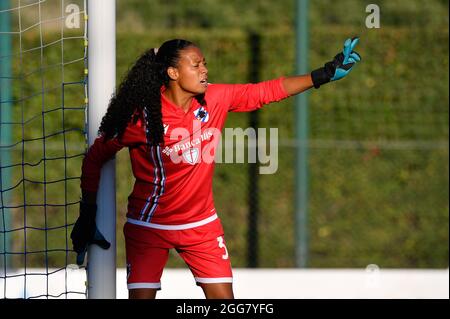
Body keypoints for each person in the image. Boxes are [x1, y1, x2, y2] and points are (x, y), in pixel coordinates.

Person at [70, 38, 361, 299]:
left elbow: (265, 91)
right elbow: (95, 157)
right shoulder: (141, 118)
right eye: (195, 65)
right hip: (149, 227)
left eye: (204, 64)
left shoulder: (215, 99)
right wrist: (87, 213)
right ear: (172, 73)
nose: (204, 70)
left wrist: (322, 75)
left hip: (202, 227)